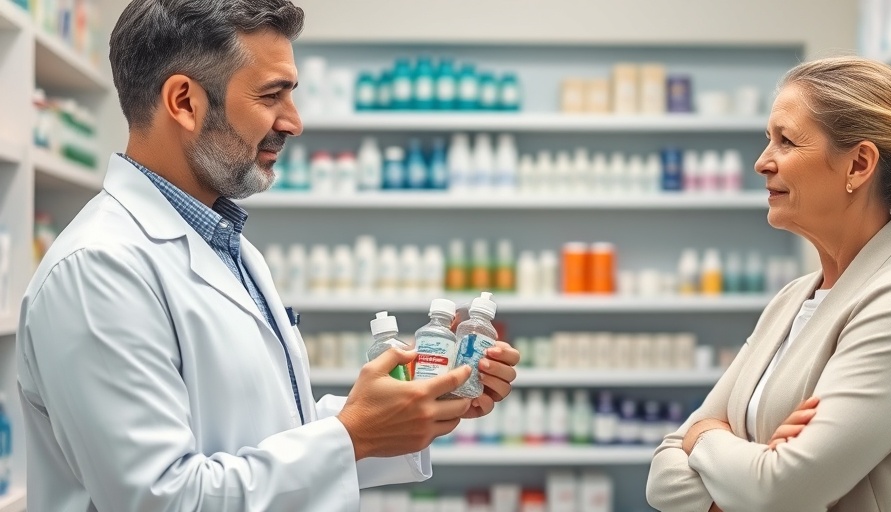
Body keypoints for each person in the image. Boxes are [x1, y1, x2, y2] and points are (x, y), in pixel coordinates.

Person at [16, 1, 520, 511]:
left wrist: (412, 407)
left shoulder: (228, 246)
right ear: (184, 102)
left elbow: (270, 434)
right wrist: (352, 435)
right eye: (271, 95)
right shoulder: (96, 269)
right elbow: (162, 499)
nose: (294, 122)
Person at [646, 56, 891, 512]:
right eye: (768, 140)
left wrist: (704, 437)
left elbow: (780, 490)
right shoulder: (792, 299)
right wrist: (753, 471)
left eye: (786, 141)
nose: (762, 162)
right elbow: (662, 475)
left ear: (858, 164)